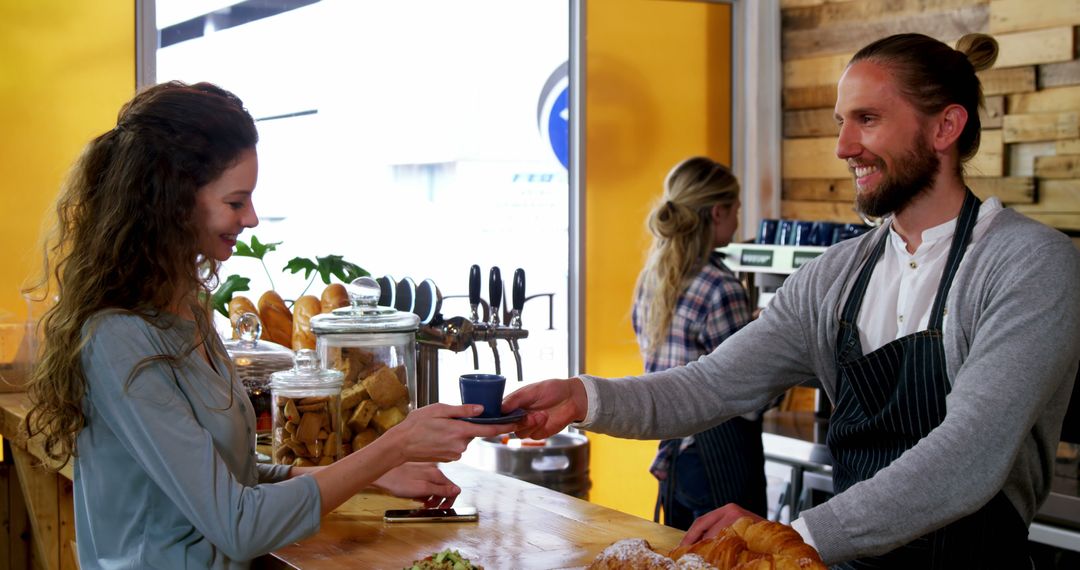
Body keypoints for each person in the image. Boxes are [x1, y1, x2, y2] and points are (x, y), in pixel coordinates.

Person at [503, 33, 1080, 567]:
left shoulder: (1029, 264)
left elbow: (969, 454)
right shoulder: (835, 277)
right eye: (840, 122)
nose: (843, 146)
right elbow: (712, 384)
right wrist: (584, 397)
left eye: (868, 120)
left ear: (945, 127)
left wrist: (798, 533)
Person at [22, 81, 515, 569]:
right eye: (236, 202)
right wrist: (393, 445)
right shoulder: (118, 338)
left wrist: (369, 474)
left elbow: (228, 474)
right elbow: (239, 525)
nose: (252, 218)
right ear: (169, 202)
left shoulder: (184, 308)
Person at [632, 157, 766, 529]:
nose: (739, 221)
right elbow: (747, 393)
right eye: (737, 210)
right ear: (718, 213)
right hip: (717, 463)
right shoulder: (722, 287)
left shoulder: (653, 278)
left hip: (673, 457)